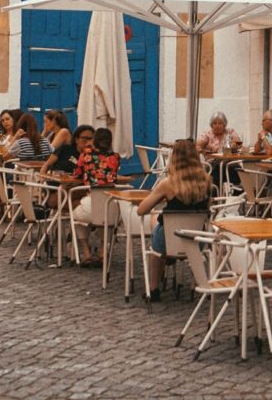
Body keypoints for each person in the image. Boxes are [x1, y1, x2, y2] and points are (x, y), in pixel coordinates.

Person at [137, 139, 212, 300]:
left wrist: (163, 199)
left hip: (168, 240)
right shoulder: (207, 182)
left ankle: (154, 286)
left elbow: (141, 210)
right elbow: (208, 211)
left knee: (154, 219)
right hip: (197, 240)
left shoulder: (168, 184)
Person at [70, 127, 121, 266]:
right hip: (111, 203)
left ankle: (86, 252)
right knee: (106, 220)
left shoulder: (85, 155)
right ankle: (103, 252)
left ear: (95, 141)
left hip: (91, 202)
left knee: (76, 214)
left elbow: (77, 175)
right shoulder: (116, 157)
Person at [39, 110, 74, 175]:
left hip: (65, 168)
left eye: (46, 122)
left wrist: (44, 131)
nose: (44, 125)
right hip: (55, 166)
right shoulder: (53, 134)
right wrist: (44, 132)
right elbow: (40, 147)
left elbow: (49, 149)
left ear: (54, 121)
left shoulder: (64, 131)